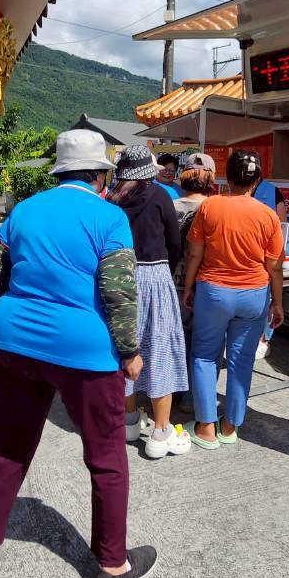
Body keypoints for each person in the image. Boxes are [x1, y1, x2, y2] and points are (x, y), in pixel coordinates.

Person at [0, 129, 157, 578]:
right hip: (85, 353)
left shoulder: (23, 211)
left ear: (59, 171)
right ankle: (112, 564)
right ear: (99, 174)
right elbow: (118, 292)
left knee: (6, 447)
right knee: (106, 456)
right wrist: (130, 351)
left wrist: (17, 309)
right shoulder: (109, 217)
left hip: (13, 344)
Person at [183, 149, 285, 450]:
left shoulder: (211, 206)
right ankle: (230, 427)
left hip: (213, 291)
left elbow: (194, 253)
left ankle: (205, 427)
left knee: (204, 355)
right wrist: (277, 303)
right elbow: (274, 267)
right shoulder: (268, 216)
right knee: (241, 361)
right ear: (258, 181)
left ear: (226, 177)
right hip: (254, 295)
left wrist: (189, 287)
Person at [108, 145, 191, 459]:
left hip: (121, 275)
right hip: (155, 276)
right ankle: (160, 431)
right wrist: (165, 271)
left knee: (125, 348)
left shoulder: (112, 200)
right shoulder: (160, 196)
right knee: (160, 351)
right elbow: (174, 241)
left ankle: (129, 420)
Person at [172, 152, 216, 411]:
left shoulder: (170, 206)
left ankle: (172, 393)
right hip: (205, 283)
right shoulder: (215, 208)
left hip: (171, 281)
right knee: (201, 344)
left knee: (175, 339)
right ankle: (193, 399)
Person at [250, 169, 289, 359]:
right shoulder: (233, 193)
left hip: (266, 259)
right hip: (246, 263)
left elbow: (282, 227)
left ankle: (263, 339)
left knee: (266, 299)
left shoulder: (272, 192)